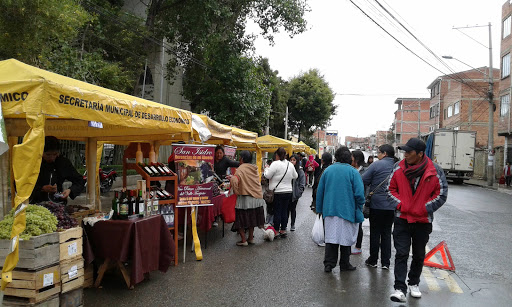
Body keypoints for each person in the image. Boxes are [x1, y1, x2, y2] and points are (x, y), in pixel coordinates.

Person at [387, 138, 448, 303]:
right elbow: (390, 189)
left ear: (420, 154)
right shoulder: (398, 168)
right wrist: (401, 205)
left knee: (419, 254)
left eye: (409, 152)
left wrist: (423, 208)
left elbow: (441, 194)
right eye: (404, 151)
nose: (405, 155)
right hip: (402, 218)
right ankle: (399, 288)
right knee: (401, 253)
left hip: (423, 220)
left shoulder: (435, 170)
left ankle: (414, 283)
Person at [316, 147, 365, 272]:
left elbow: (320, 191)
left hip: (330, 209)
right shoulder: (353, 172)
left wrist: (319, 209)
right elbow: (359, 194)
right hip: (348, 211)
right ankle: (344, 263)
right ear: (349, 158)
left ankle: (329, 263)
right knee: (346, 239)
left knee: (331, 238)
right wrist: (359, 206)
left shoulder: (328, 171)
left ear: (336, 157)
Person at [361, 145, 398, 268]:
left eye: (379, 153)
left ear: (385, 153)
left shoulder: (376, 165)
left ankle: (373, 260)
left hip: (376, 205)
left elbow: (364, 179)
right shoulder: (398, 167)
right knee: (387, 233)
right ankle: (386, 262)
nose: (378, 155)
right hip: (392, 205)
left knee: (375, 233)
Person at [30, 136, 85, 204]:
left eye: (55, 154)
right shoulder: (32, 162)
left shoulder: (63, 163)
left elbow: (79, 180)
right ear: (41, 152)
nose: (52, 158)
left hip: (58, 203)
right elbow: (21, 184)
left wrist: (70, 190)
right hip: (35, 202)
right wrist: (41, 188)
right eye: (48, 155)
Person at [230, 151, 266, 246]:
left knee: (240, 219)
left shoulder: (241, 168)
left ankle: (243, 240)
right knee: (252, 219)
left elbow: (234, 180)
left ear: (241, 159)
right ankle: (250, 238)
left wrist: (236, 191)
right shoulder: (254, 168)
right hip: (257, 197)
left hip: (245, 198)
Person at [264, 147, 297, 238]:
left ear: (277, 155)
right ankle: (283, 230)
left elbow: (267, 175)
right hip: (288, 191)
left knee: (277, 211)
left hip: (278, 192)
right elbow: (295, 176)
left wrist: (266, 169)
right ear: (285, 155)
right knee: (285, 211)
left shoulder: (275, 164)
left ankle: (277, 231)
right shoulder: (290, 164)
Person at [351, 150, 367, 255]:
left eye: (351, 158)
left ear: (356, 160)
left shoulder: (365, 171)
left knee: (359, 223)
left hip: (360, 200)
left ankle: (358, 246)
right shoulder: (350, 169)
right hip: (350, 200)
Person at [289, 154, 305, 231]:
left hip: (295, 193)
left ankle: (292, 224)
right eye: (291, 160)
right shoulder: (287, 168)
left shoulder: (300, 170)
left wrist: (299, 192)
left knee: (293, 209)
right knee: (285, 209)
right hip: (287, 192)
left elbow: (302, 183)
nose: (292, 161)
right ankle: (284, 225)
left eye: (294, 160)